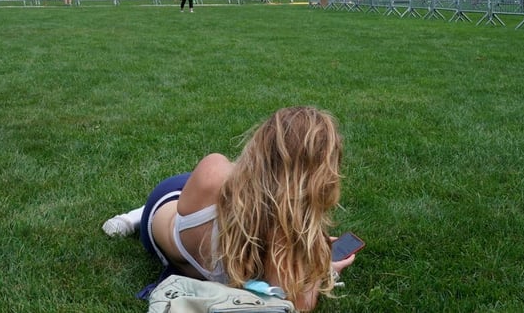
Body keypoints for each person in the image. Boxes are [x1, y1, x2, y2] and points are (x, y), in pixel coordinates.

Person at [102, 106, 355, 311]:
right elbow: (301, 304)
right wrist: (320, 271)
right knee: (223, 180)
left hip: (184, 216)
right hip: (165, 205)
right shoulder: (288, 256)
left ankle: (270, 182)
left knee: (231, 179)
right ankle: (135, 214)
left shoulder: (218, 170)